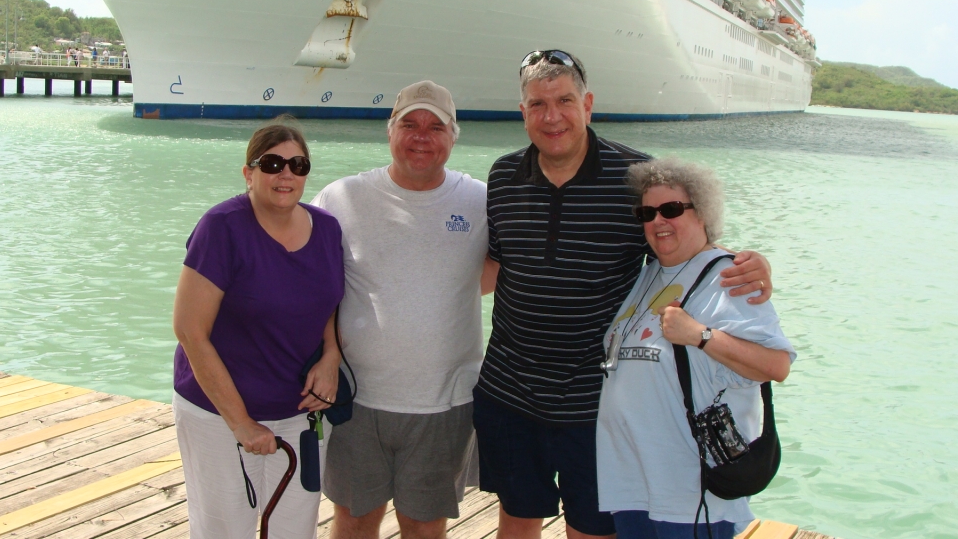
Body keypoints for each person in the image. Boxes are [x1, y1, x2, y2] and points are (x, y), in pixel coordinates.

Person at [474, 50, 773, 539]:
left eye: (565, 100)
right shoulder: (503, 176)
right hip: (508, 392)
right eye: (538, 104)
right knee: (516, 518)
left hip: (598, 404)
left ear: (588, 104)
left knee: (593, 530)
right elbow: (496, 262)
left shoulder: (636, 176)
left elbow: (683, 248)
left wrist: (745, 265)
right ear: (523, 112)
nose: (553, 116)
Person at [312, 80, 491, 539]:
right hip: (357, 399)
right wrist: (327, 357)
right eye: (409, 124)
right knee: (352, 520)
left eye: (436, 126)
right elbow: (314, 292)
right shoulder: (339, 199)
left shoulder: (482, 201)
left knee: (424, 526)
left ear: (454, 136)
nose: (421, 136)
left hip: (445, 400)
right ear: (389, 130)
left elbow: (503, 277)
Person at [596, 157, 794, 539]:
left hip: (690, 493)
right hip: (633, 483)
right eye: (647, 212)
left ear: (702, 213)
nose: (657, 221)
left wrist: (700, 335)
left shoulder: (730, 277)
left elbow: (777, 365)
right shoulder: (650, 271)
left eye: (671, 209)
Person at [172, 121, 345, 539]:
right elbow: (190, 330)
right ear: (249, 173)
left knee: (294, 532)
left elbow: (327, 302)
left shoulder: (327, 229)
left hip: (299, 414)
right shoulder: (221, 228)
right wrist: (242, 423)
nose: (285, 174)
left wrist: (331, 356)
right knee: (223, 532)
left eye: (297, 164)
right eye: (272, 163)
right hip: (218, 415)